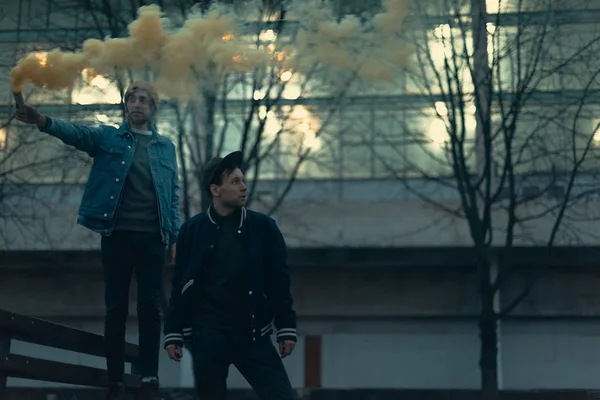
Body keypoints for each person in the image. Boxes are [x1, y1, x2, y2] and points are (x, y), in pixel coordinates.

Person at [14, 80, 181, 400]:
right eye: (131, 98)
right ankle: (116, 379)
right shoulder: (109, 137)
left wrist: (172, 235)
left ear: (153, 108)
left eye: (143, 100)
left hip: (153, 238)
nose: (136, 104)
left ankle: (149, 378)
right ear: (125, 105)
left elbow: (172, 193)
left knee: (150, 308)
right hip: (116, 234)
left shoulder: (166, 147)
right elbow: (77, 134)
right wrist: (43, 121)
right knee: (115, 308)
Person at [163, 150, 297, 399]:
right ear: (216, 190)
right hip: (209, 335)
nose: (244, 187)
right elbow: (181, 283)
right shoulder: (192, 230)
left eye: (243, 181)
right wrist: (174, 333)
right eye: (235, 182)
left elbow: (278, 279)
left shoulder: (263, 227)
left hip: (253, 333)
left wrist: (286, 326)